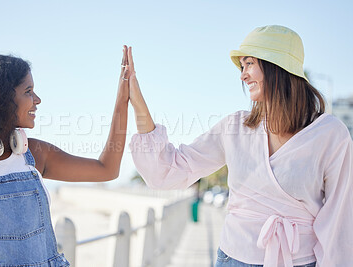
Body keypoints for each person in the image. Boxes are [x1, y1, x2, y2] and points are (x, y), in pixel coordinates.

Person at [127, 25, 353, 267]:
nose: (242, 75)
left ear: (277, 65)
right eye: (242, 67)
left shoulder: (330, 134)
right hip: (232, 259)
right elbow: (168, 170)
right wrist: (137, 98)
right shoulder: (235, 127)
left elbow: (340, 222)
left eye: (249, 64)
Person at [0, 47, 131, 266]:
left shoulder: (36, 154)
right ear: (0, 99)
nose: (37, 99)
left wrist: (123, 98)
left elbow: (107, 169)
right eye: (28, 91)